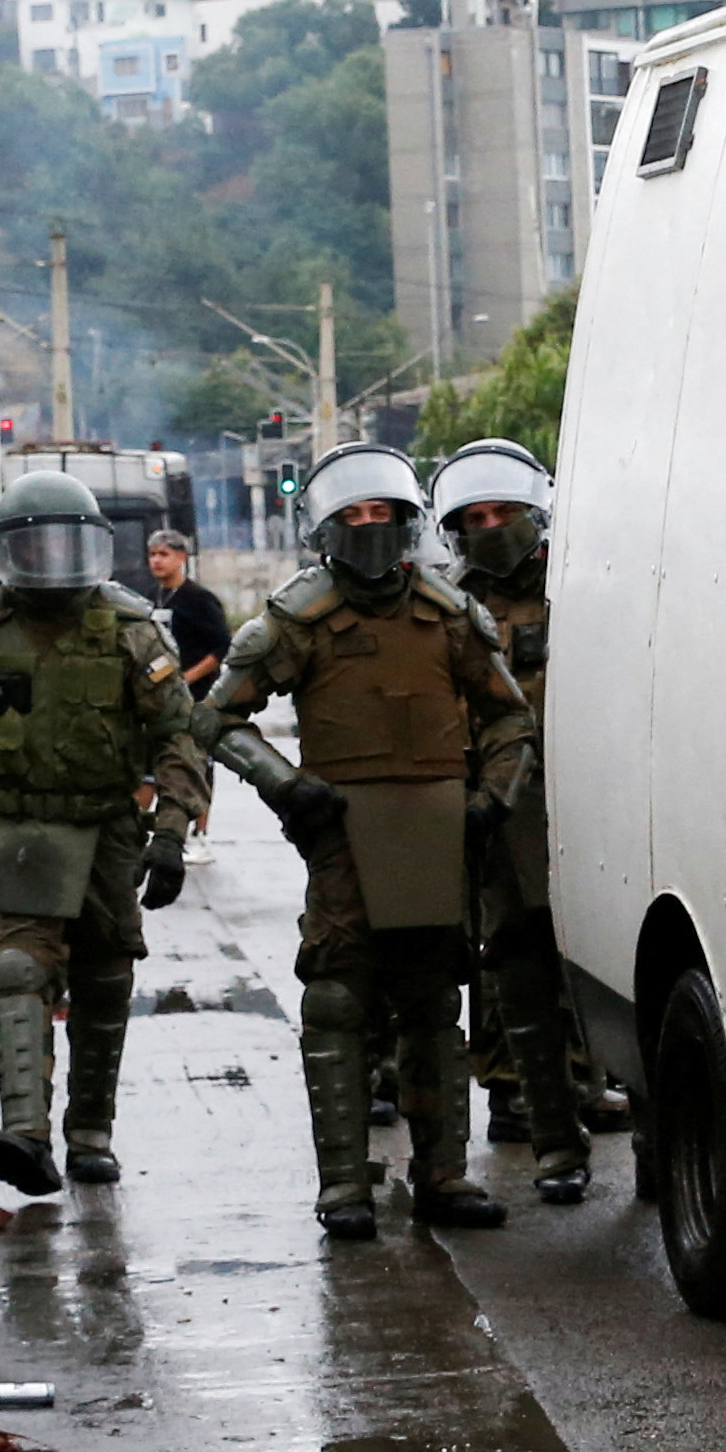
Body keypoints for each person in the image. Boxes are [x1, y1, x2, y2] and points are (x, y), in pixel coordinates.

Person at [203, 443, 533, 1239]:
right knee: (338, 999)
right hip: (343, 839)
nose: (369, 528)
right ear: (325, 527)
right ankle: (345, 1186)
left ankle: (444, 1178)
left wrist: (491, 798)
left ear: (406, 520)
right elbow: (214, 716)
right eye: (352, 515)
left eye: (381, 513)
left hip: (435, 832)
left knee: (431, 1004)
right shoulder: (299, 618)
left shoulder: (448, 613)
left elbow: (508, 715)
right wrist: (285, 784)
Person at [0, 472, 208, 1195]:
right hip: (15, 828)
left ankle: (90, 1132)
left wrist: (169, 833)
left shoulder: (131, 629)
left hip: (106, 831)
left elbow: (176, 736)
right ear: (9, 550)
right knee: (16, 970)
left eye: (64, 543)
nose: (51, 559)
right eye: (35, 544)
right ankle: (25, 1135)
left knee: (103, 981)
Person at [428, 440, 593, 1205]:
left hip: (599, 805)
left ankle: (656, 1145)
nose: (492, 528)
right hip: (502, 813)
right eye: (475, 518)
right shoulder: (447, 607)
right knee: (520, 977)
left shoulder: (586, 584)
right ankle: (555, 1144)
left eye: (504, 512)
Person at [139, 527, 230, 693]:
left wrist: (187, 678)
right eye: (152, 554)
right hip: (163, 690)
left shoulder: (200, 599)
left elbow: (222, 647)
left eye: (163, 554)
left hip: (198, 692)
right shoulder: (151, 596)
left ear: (181, 557)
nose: (156, 560)